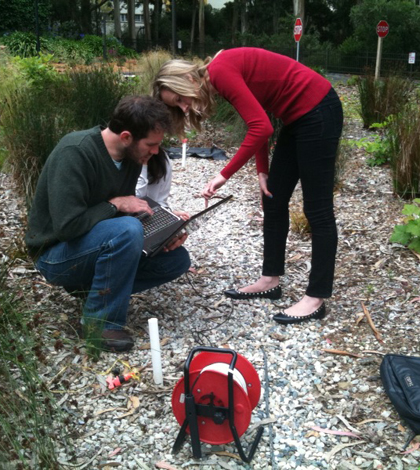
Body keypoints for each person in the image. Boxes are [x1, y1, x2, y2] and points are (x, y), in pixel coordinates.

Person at [152, 47, 343, 325]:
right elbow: (259, 118)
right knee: (273, 198)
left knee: (318, 210)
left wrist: (223, 175)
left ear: (189, 80)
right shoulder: (218, 74)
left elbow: (261, 127)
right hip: (298, 118)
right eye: (177, 105)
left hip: (318, 111)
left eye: (180, 98)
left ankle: (316, 298)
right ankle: (270, 280)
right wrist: (262, 171)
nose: (184, 107)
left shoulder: (219, 73)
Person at [25, 95, 191, 352]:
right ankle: (98, 325)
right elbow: (67, 227)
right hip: (55, 255)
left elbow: (117, 220)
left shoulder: (131, 158)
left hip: (92, 245)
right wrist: (116, 205)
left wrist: (163, 233)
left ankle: (92, 292)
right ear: (126, 137)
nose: (156, 151)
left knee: (176, 260)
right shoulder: (75, 152)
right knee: (127, 229)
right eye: (151, 144)